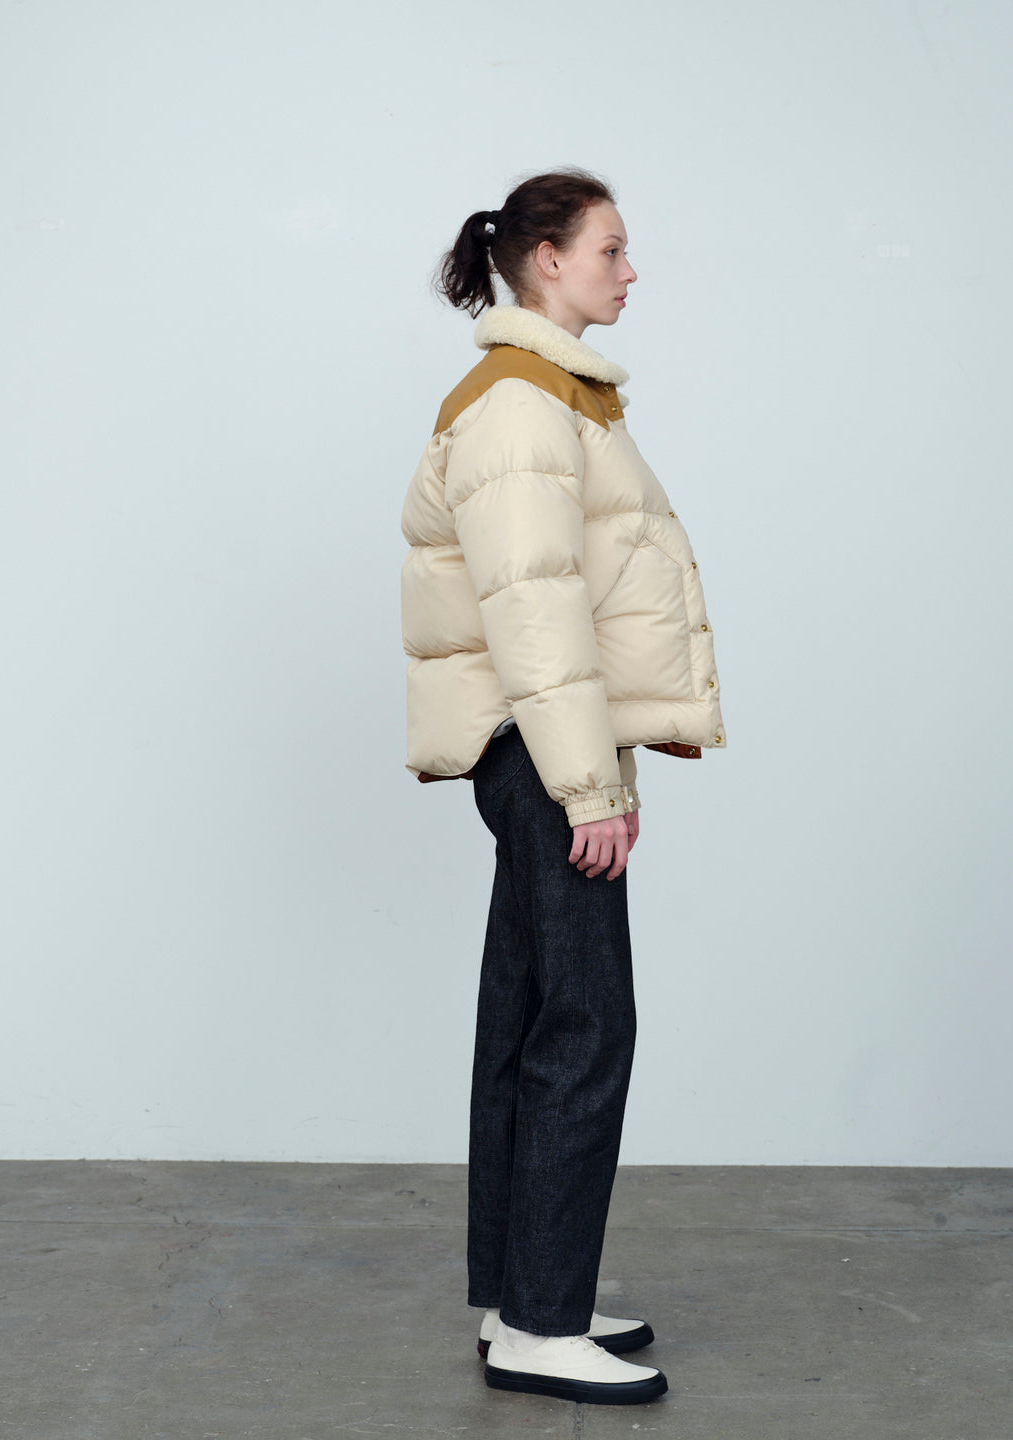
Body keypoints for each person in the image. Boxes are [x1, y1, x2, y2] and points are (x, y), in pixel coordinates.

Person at [400, 169, 725, 1406]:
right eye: (611, 249)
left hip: (537, 749)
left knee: (535, 1019)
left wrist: (603, 768)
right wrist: (590, 788)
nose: (630, 272)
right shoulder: (522, 407)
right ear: (546, 258)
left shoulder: (548, 395)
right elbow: (533, 612)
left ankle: (524, 1298)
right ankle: (541, 1321)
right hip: (540, 757)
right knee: (586, 1026)